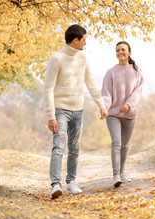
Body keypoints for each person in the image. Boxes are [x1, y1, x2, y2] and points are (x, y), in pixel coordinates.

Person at [44, 24, 108, 199]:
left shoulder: (82, 58)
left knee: (74, 148)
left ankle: (71, 182)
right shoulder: (56, 58)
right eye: (84, 39)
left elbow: (91, 83)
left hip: (78, 110)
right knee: (58, 146)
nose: (85, 43)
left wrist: (101, 105)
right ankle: (55, 184)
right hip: (60, 110)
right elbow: (48, 89)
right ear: (75, 40)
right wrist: (51, 116)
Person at [101, 41, 144, 187]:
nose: (120, 52)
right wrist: (105, 108)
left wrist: (128, 104)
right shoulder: (111, 72)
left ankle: (123, 172)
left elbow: (137, 92)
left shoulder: (137, 71)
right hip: (113, 114)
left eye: (123, 50)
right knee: (116, 143)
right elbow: (106, 93)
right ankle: (116, 175)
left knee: (125, 145)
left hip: (130, 115)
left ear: (129, 53)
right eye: (118, 50)